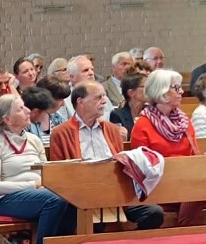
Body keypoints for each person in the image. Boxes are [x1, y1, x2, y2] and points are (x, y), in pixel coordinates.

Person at [49, 80, 163, 229]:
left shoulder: (112, 130)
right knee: (95, 220)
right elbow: (57, 173)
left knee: (154, 213)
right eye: (98, 97)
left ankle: (126, 243)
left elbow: (122, 165)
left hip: (115, 193)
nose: (104, 101)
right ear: (80, 101)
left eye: (104, 96)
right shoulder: (61, 133)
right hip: (82, 196)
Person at [0, 94, 75, 244]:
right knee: (53, 200)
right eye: (20, 109)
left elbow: (46, 172)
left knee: (72, 198)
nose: (27, 111)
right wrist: (32, 185)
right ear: (8, 119)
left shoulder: (34, 140)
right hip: (6, 199)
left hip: (38, 193)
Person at [131, 69, 205, 227]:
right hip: (160, 187)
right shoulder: (143, 125)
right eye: (176, 88)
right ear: (162, 92)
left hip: (188, 184)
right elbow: (143, 169)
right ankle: (184, 229)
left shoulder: (184, 122)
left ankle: (185, 228)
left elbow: (195, 159)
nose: (182, 91)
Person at [109, 71, 148, 139]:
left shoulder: (150, 112)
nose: (149, 90)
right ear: (131, 93)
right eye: (145, 87)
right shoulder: (117, 115)